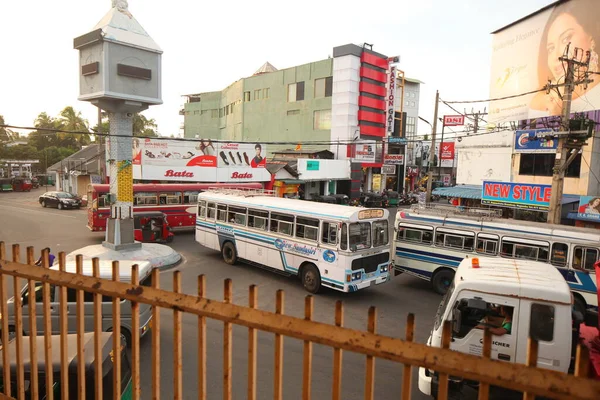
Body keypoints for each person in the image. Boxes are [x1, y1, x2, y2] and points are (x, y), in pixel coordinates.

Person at [531, 0, 600, 115]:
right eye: (551, 48)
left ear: (590, 38)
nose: (557, 55)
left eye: (566, 39)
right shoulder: (541, 102)